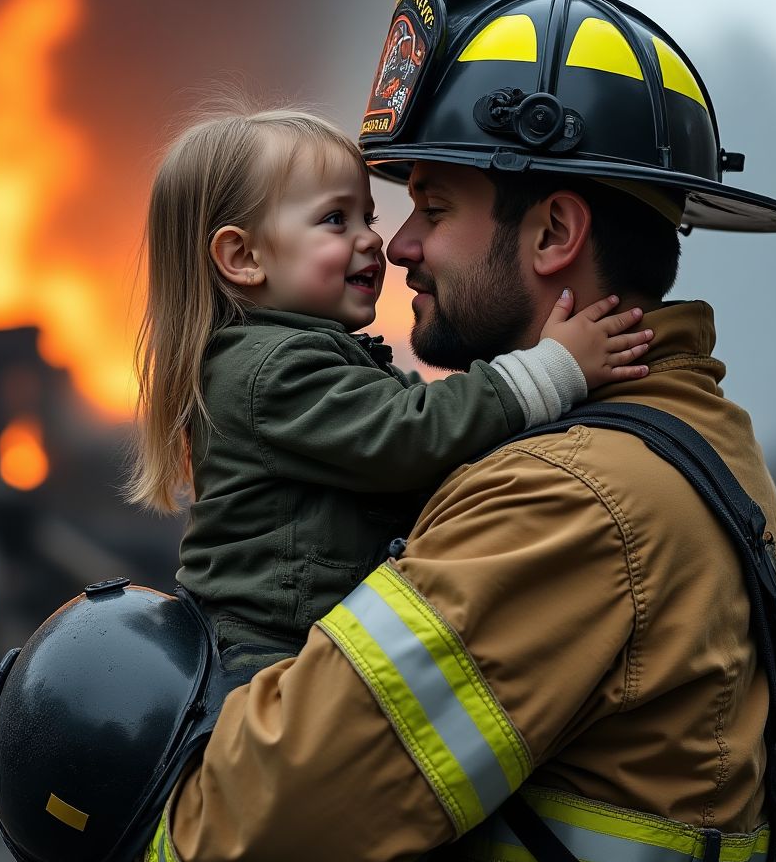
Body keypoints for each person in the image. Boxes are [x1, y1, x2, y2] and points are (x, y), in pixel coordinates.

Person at [0, 0, 776, 862]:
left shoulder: (570, 500)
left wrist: (138, 860)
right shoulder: (689, 433)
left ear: (553, 231)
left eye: (432, 207)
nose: (400, 247)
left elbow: (249, 836)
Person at [125, 109, 652, 662]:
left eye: (367, 219)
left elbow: (428, 418)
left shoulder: (312, 356)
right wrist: (552, 370)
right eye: (335, 220)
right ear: (244, 257)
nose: (376, 243)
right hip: (266, 658)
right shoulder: (269, 371)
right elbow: (412, 433)